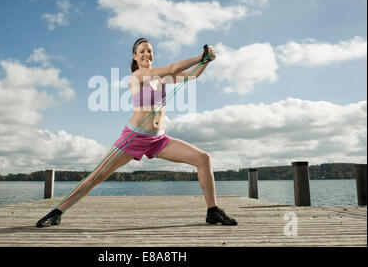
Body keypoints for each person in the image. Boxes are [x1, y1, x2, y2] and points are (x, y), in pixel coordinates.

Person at [36, 38, 237, 227]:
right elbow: (173, 68)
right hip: (134, 138)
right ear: (134, 56)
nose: (146, 54)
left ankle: (213, 211)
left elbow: (192, 75)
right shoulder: (138, 76)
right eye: (141, 51)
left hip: (159, 140)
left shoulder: (161, 78)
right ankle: (57, 213)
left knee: (203, 159)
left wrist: (207, 61)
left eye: (149, 51)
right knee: (97, 176)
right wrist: (200, 55)